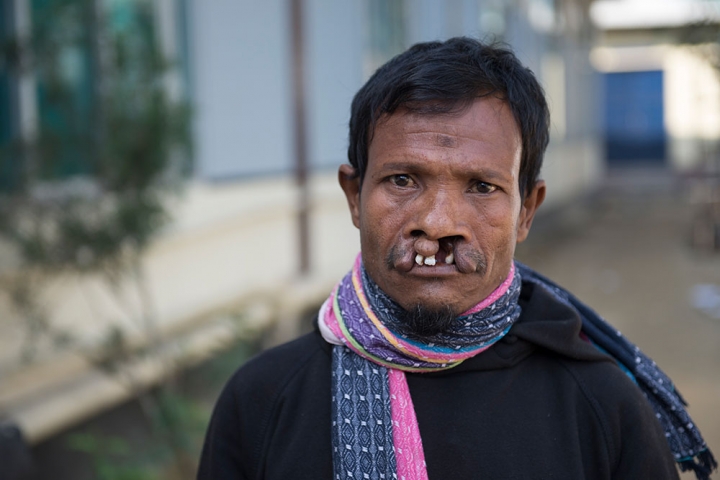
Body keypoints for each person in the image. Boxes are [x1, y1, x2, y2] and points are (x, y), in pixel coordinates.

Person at [198, 38, 716, 480]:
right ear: (354, 196)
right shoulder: (264, 400)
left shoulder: (599, 405)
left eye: (482, 186)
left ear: (525, 212)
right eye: (403, 180)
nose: (439, 223)